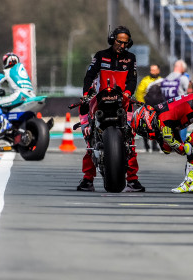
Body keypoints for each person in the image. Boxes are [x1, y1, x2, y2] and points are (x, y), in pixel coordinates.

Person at [77, 26, 144, 192]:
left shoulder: (131, 58)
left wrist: (128, 93)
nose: (122, 45)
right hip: (100, 99)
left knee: (130, 138)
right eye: (119, 41)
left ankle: (133, 180)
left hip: (123, 101)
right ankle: (87, 179)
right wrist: (86, 94)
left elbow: (132, 80)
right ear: (112, 39)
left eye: (125, 43)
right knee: (90, 136)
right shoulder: (100, 56)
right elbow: (89, 76)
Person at [131, 93, 193, 193]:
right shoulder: (159, 116)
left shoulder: (164, 120)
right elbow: (173, 150)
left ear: (147, 120)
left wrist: (173, 143)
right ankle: (190, 182)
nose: (145, 134)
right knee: (190, 144)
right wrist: (172, 143)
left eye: (143, 130)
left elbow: (182, 150)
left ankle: (190, 183)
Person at [0, 52, 35, 139]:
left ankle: (4, 123)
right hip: (32, 95)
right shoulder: (22, 70)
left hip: (20, 95)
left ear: (6, 62)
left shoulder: (5, 72)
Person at [135, 64, 161, 152]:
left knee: (157, 126)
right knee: (145, 126)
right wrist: (142, 105)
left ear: (158, 71)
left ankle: (155, 145)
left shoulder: (162, 81)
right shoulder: (145, 81)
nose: (152, 72)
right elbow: (139, 93)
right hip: (147, 107)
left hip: (158, 108)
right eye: (151, 70)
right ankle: (146, 144)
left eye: (154, 70)